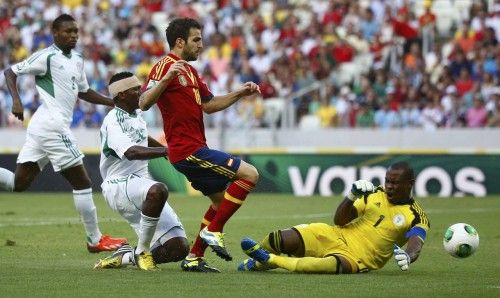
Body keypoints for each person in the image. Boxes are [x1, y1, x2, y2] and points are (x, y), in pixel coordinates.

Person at [139, 17, 261, 272]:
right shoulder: (164, 66)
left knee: (219, 203)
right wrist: (165, 80)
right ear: (180, 41)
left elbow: (209, 104)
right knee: (250, 174)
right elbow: (143, 103)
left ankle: (194, 257)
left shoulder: (191, 71)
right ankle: (214, 232)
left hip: (195, 146)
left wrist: (239, 93)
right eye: (197, 40)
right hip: (187, 150)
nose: (201, 45)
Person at [0, 14, 127, 252]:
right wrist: (16, 101)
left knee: (19, 183)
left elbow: (85, 92)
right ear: (55, 33)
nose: (73, 36)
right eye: (68, 32)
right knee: (83, 181)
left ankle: (95, 239)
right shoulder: (46, 56)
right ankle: (94, 240)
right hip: (51, 124)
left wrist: (114, 102)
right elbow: (10, 72)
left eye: (76, 32)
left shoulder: (77, 60)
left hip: (45, 126)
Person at [239, 162, 430, 274]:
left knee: (317, 266)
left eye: (395, 183)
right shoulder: (374, 193)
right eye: (387, 181)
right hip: (335, 234)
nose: (389, 186)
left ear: (410, 184)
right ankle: (259, 261)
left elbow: (416, 243)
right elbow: (340, 220)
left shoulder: (415, 215)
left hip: (358, 258)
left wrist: (408, 256)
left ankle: (269, 260)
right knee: (279, 238)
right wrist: (351, 196)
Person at [94, 72, 189, 271]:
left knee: (178, 248)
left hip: (139, 184)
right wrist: (166, 150)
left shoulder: (135, 115)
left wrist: (169, 151)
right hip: (118, 184)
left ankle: (126, 256)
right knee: (158, 190)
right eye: (135, 89)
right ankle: (142, 251)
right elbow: (131, 151)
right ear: (120, 95)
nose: (141, 92)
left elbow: (143, 139)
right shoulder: (113, 120)